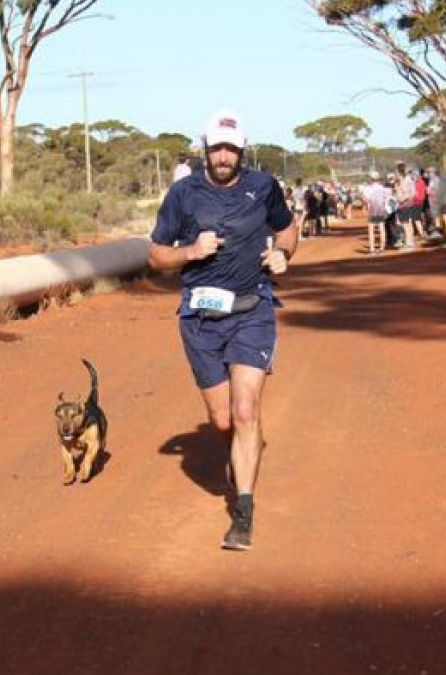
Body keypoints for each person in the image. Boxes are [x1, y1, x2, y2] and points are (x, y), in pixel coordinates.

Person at [148, 109, 297, 552]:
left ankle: (244, 511)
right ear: (205, 148)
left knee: (247, 409)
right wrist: (191, 251)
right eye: (217, 147)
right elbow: (155, 256)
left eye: (232, 147)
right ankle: (241, 451)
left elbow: (287, 230)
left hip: (253, 309)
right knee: (223, 420)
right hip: (200, 320)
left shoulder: (263, 187)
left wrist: (284, 254)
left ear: (242, 149)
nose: (225, 155)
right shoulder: (183, 194)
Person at [361, 170, 389, 255]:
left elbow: (365, 199)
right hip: (381, 209)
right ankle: (382, 248)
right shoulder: (383, 188)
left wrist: (364, 201)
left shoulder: (367, 188)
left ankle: (372, 249)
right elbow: (387, 199)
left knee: (371, 229)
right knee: (381, 228)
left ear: (371, 179)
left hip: (372, 209)